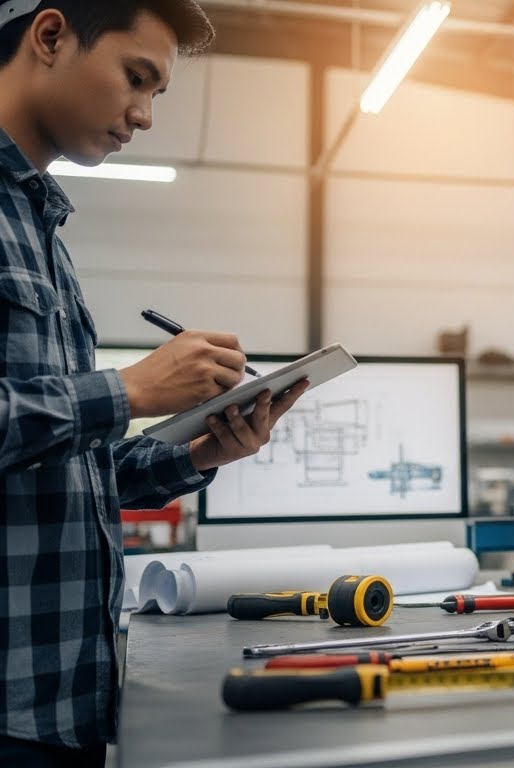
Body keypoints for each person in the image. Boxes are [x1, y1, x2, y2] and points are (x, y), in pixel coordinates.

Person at [0, 2, 308, 765]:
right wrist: (129, 391)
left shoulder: (43, 233)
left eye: (157, 96)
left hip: (59, 701)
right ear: (49, 36)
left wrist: (200, 452)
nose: (142, 116)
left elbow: (65, 472)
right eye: (135, 79)